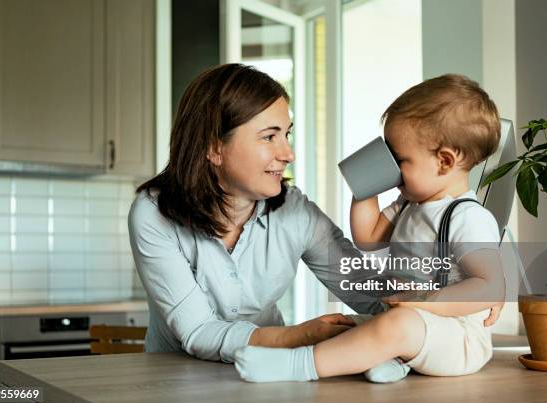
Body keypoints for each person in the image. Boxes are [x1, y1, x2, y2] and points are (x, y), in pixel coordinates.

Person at [128, 63, 413, 380]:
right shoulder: (153, 213)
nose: (288, 153)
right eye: (269, 137)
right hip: (173, 380)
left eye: (286, 134)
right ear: (213, 147)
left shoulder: (295, 212)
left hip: (268, 377)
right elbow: (197, 332)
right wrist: (300, 337)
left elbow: (369, 294)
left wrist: (463, 299)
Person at [234, 74, 506, 383]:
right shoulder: (409, 204)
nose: (391, 167)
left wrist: (423, 301)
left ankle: (297, 367)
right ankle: (391, 361)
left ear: (444, 161)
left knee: (396, 326)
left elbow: (491, 286)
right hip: (411, 322)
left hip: (456, 338)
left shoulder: (467, 216)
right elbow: (367, 237)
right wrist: (367, 185)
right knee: (344, 327)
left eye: (398, 159)